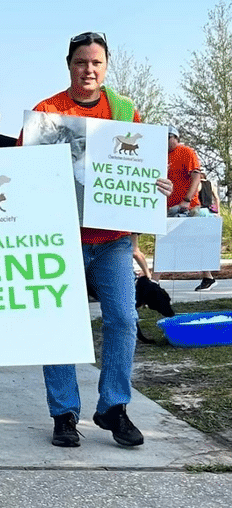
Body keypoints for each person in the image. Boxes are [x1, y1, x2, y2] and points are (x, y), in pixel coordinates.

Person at [27, 31, 171, 450]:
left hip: (113, 240)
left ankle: (114, 407)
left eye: (96, 63)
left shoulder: (125, 111)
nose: (88, 70)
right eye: (80, 62)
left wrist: (155, 186)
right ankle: (64, 413)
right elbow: (28, 171)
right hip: (62, 239)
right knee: (58, 323)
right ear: (68, 64)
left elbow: (142, 168)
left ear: (106, 67)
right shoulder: (47, 112)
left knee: (124, 320)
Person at [165, 125, 216, 290]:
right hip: (170, 207)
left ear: (175, 137)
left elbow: (196, 177)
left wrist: (186, 200)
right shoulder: (162, 155)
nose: (165, 141)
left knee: (195, 242)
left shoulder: (186, 152)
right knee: (167, 243)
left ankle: (154, 281)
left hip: (188, 206)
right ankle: (208, 277)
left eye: (167, 137)